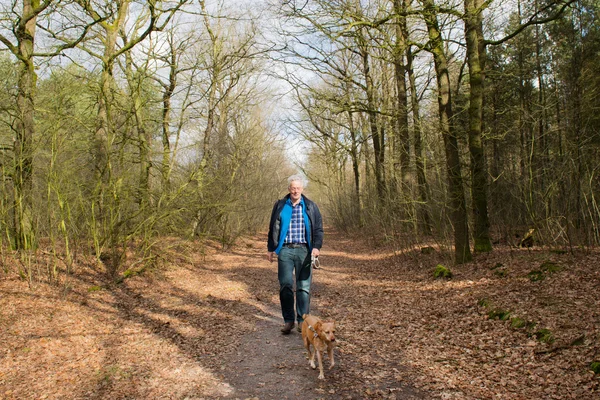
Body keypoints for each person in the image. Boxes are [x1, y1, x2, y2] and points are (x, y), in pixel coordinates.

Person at [267, 175, 323, 334]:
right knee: (285, 285)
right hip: (284, 250)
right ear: (289, 189)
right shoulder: (280, 205)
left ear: (302, 189)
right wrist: (270, 249)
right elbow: (273, 228)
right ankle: (288, 320)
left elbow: (318, 229)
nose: (295, 190)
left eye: (298, 188)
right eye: (293, 188)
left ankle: (302, 321)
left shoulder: (311, 206)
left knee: (303, 287)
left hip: (305, 250)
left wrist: (317, 247)